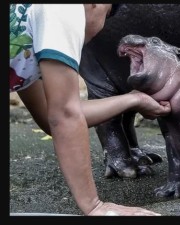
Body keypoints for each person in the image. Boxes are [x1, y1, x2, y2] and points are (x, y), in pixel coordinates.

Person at [9, 4, 171, 216]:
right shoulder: (65, 8)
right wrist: (94, 206)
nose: (100, 29)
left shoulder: (29, 39)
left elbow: (53, 116)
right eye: (106, 16)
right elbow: (65, 116)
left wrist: (134, 100)